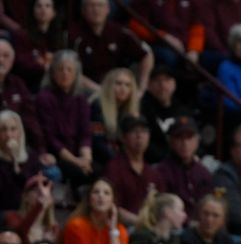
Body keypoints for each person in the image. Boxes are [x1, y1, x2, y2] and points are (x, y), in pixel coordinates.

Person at [35, 50, 94, 190]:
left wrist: (86, 159)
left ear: (76, 74)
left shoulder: (81, 98)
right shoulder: (44, 97)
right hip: (55, 155)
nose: (65, 73)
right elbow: (51, 139)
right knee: (78, 172)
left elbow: (85, 133)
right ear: (53, 73)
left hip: (77, 152)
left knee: (100, 170)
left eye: (69, 69)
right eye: (60, 69)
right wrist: (76, 161)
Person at [105, 115, 164, 226]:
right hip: (121, 227)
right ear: (123, 137)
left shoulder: (154, 173)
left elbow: (161, 205)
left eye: (144, 132)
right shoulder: (114, 168)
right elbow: (110, 206)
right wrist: (139, 222)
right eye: (134, 131)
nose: (139, 136)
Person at [156, 117, 212, 219]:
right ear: (171, 141)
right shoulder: (161, 172)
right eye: (179, 138)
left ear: (197, 140)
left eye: (189, 137)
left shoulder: (203, 173)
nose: (185, 143)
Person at [62, 177, 129, 244]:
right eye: (96, 192)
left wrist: (112, 230)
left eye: (106, 193)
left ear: (113, 201)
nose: (101, 195)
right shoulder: (76, 226)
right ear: (89, 200)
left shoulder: (120, 230)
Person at [2, 172, 60, 244]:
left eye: (48, 191)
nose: (43, 193)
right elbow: (21, 234)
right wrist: (40, 204)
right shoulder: (12, 217)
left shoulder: (53, 228)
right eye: (36, 190)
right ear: (25, 196)